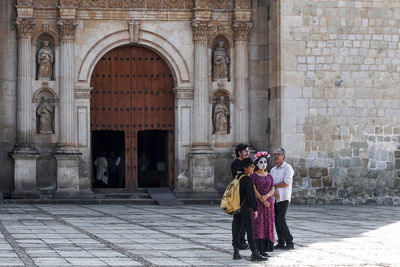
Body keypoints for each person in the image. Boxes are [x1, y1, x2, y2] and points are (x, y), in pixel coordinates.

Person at [231, 158, 268, 262]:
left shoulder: (237, 177)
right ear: (245, 168)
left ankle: (236, 252)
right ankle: (255, 253)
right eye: (251, 166)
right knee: (250, 231)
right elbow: (250, 196)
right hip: (246, 208)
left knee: (236, 230)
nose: (253, 168)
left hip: (237, 207)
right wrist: (255, 209)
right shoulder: (247, 179)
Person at [251, 151, 275, 256]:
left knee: (267, 225)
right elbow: (253, 189)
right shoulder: (254, 176)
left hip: (269, 204)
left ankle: (265, 249)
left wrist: (267, 196)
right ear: (257, 163)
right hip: (259, 203)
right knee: (258, 224)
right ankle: (258, 249)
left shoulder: (269, 175)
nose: (264, 164)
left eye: (265, 162)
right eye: (261, 162)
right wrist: (262, 199)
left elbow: (273, 188)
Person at [271, 147, 295, 250]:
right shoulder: (273, 169)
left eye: (278, 154)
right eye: (274, 154)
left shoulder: (288, 168)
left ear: (283, 156)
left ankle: (289, 242)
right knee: (276, 220)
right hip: (274, 198)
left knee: (281, 220)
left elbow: (286, 182)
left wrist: (274, 187)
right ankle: (281, 242)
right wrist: (273, 189)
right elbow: (270, 183)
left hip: (283, 198)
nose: (276, 156)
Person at [230, 143, 249, 249]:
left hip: (246, 194)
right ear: (239, 152)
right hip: (238, 194)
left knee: (246, 219)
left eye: (248, 151)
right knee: (237, 219)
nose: (247, 153)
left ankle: (242, 240)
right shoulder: (235, 163)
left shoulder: (246, 163)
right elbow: (239, 174)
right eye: (245, 151)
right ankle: (236, 241)